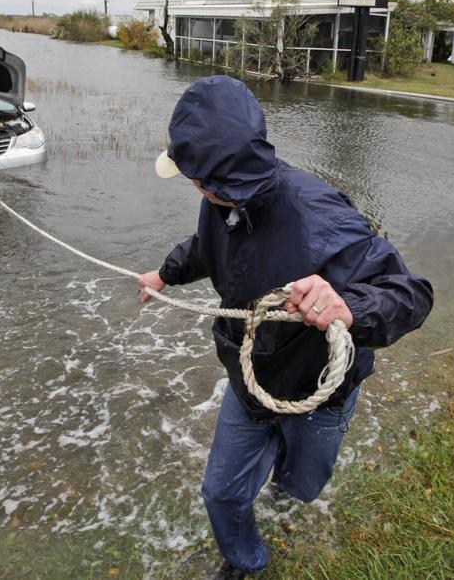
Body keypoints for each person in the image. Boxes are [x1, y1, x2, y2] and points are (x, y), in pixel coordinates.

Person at [138, 75, 434, 579]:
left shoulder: (322, 218)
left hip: (322, 391)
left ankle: (285, 486)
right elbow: (209, 246)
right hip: (249, 384)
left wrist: (348, 306)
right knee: (220, 492)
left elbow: (411, 293)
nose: (191, 184)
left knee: (301, 484)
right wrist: (164, 274)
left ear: (211, 179)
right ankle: (246, 561)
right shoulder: (222, 201)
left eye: (190, 175)